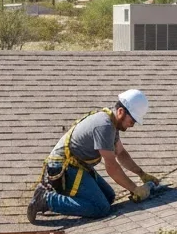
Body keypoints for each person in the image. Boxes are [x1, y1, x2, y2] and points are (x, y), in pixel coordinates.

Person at [27, 89, 161, 221]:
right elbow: (112, 167)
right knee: (100, 208)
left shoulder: (112, 123)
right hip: (63, 166)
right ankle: (46, 199)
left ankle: (62, 194)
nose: (132, 125)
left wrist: (141, 174)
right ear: (121, 112)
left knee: (109, 196)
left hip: (77, 165)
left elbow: (120, 153)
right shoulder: (104, 126)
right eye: (132, 121)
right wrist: (134, 189)